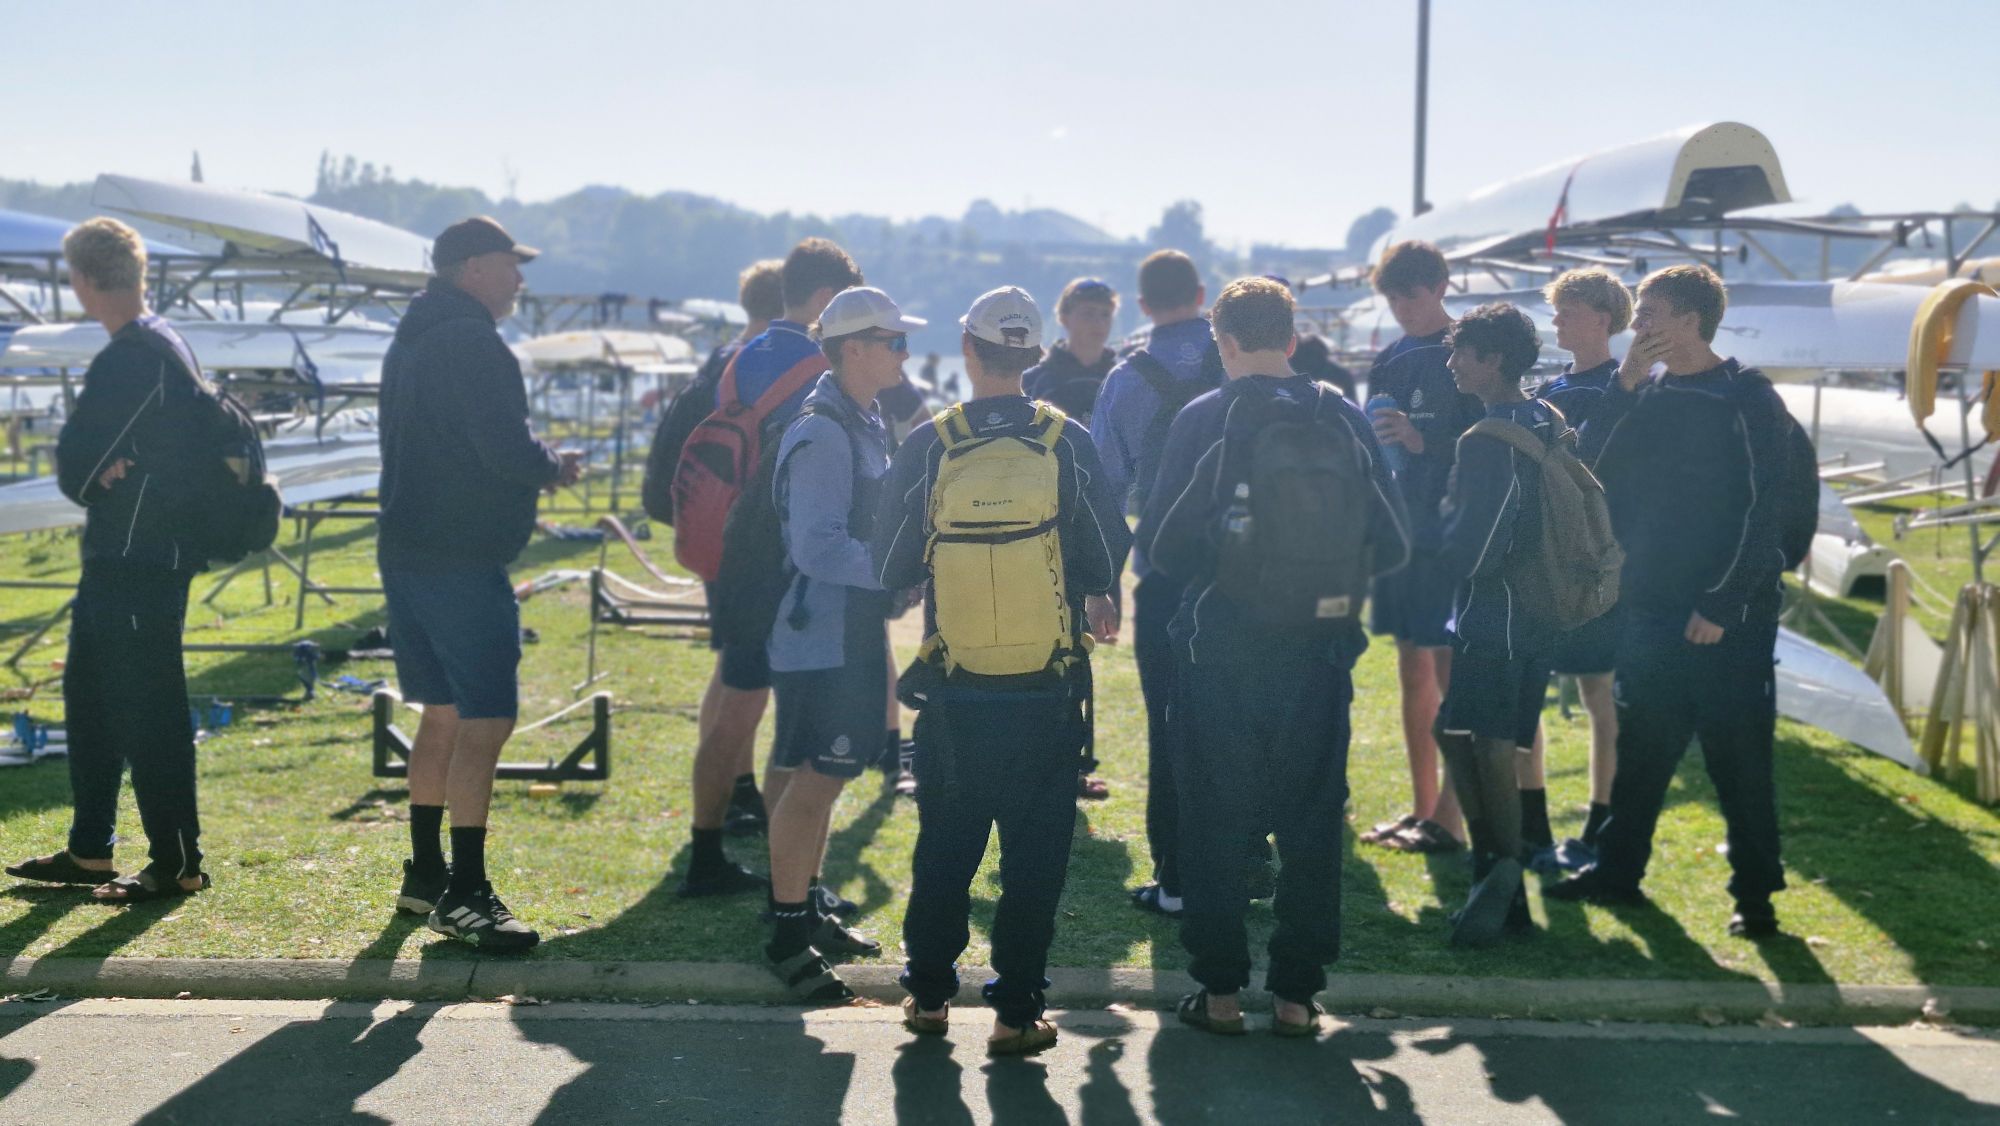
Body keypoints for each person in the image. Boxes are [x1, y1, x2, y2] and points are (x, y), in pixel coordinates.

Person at [1143, 277, 1409, 1036]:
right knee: (1313, 824)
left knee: (1214, 819)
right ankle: (1297, 995)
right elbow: (1392, 542)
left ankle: (1221, 992)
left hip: (1221, 648)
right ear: (1291, 338)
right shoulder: (1342, 415)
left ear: (1224, 342)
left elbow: (1163, 546)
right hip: (1320, 650)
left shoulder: (1205, 417)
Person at [877, 286, 1129, 1056]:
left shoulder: (932, 442)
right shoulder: (1064, 439)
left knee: (944, 852)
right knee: (1033, 864)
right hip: (1045, 689)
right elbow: (1104, 552)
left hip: (955, 689)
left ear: (967, 350)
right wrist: (1090, 586)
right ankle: (1017, 1014)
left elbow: (890, 562)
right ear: (1034, 354)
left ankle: (927, 998)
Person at [1547, 264, 1791, 940]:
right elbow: (1588, 469)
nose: (1639, 324)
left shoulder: (1746, 396)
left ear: (1690, 318)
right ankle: (1617, 873)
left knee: (1739, 762)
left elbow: (1766, 511)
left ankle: (1756, 899)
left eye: (1650, 312)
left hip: (1728, 619)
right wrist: (1624, 384)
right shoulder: (1644, 393)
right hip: (1649, 608)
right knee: (1642, 755)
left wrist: (1723, 604)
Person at [375, 217, 581, 951]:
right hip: (459, 556)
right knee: (486, 719)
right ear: (470, 269)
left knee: (441, 713)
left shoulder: (412, 334)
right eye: (508, 264)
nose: (520, 279)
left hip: (407, 547)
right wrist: (553, 466)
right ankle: (465, 893)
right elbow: (501, 445)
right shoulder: (471, 340)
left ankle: (425, 872)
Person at [3, 218, 213, 902]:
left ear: (83, 281)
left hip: (139, 557)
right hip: (125, 554)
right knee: (89, 698)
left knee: (150, 706)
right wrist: (105, 466)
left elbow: (75, 459)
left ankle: (177, 862)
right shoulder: (165, 340)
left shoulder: (132, 356)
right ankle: (90, 849)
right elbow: (99, 457)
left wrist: (103, 467)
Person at [677, 238, 863, 901]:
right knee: (793, 729)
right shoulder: (817, 366)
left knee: (734, 705)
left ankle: (705, 851)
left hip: (728, 549)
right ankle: (795, 886)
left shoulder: (740, 354)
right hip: (781, 563)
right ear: (825, 299)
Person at [759, 286, 920, 999]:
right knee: (817, 779)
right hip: (821, 634)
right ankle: (787, 934)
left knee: (817, 779)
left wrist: (893, 580)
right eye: (894, 341)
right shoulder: (826, 430)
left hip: (840, 629)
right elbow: (818, 547)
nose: (905, 354)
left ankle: (804, 907)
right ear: (855, 348)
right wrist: (896, 571)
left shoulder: (859, 416)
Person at [1090, 250, 1224, 917]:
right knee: (1240, 720)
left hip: (1166, 571)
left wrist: (1103, 583)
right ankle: (1243, 858)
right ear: (1201, 294)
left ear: (1142, 306)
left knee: (1169, 726)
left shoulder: (1125, 379)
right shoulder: (1236, 360)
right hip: (1246, 572)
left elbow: (1103, 491)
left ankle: (1175, 876)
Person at [1431, 303, 1563, 946]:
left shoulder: (1488, 437)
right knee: (1465, 731)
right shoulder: (1547, 417)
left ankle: (1502, 879)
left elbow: (1480, 546)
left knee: (1487, 741)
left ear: (1496, 360)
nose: (1453, 362)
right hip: (1542, 607)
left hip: (1496, 611)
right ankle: (1495, 873)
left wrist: (1437, 546)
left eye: (1465, 352)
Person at [642, 259, 785, 836]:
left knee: (730, 665)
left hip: (706, 530)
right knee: (743, 677)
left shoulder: (716, 364)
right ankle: (731, 789)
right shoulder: (760, 369)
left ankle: (735, 785)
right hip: (741, 540)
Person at [1361, 240, 1483, 856]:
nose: (1403, 309)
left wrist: (1422, 443)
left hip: (1452, 538)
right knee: (1412, 670)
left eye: (1410, 296)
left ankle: (1452, 820)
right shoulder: (1389, 360)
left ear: (1440, 286)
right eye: (1392, 299)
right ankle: (1423, 807)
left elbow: (1494, 443)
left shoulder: (1472, 349)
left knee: (1450, 671)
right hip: (1403, 537)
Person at [1523, 268, 1632, 872]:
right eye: (1557, 308)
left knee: (1599, 696)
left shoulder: (1626, 386)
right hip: (1543, 563)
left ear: (1602, 318)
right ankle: (1533, 828)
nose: (1557, 319)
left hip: (1597, 563)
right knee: (1527, 692)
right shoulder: (1550, 388)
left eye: (1568, 310)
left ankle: (1600, 824)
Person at [1022, 276, 1120, 423]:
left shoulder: (1123, 379)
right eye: (1088, 313)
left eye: (1106, 314)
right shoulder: (1034, 382)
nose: (1099, 322)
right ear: (1064, 318)